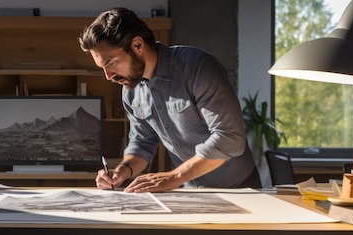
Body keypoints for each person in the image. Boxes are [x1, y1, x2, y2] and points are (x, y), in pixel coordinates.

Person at [79, 7, 261, 193]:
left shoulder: (198, 67)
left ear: (137, 45)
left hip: (241, 189)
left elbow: (230, 138)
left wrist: (175, 177)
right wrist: (122, 172)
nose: (108, 76)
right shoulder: (131, 90)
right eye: (102, 67)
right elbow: (142, 143)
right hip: (192, 193)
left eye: (110, 63)